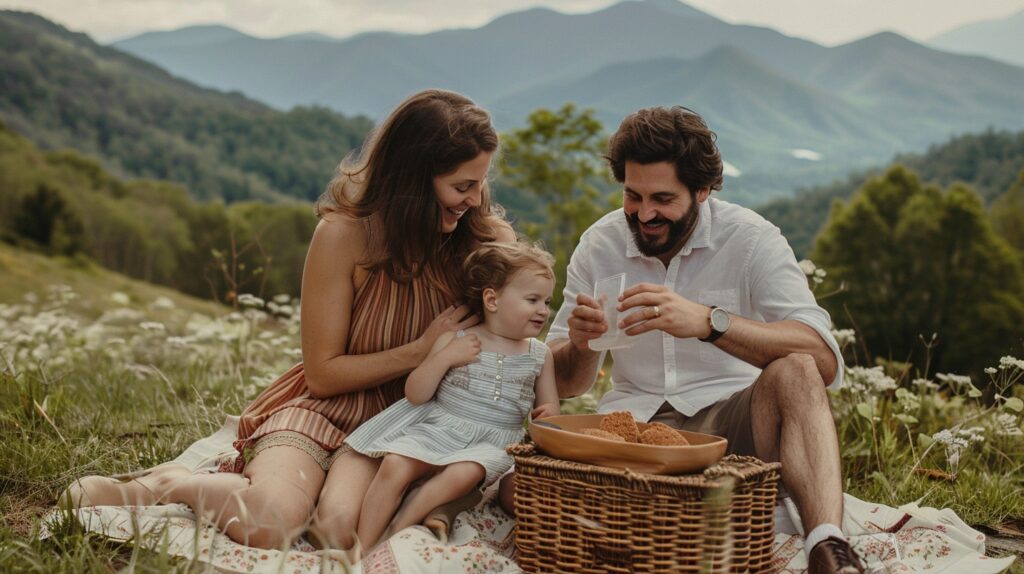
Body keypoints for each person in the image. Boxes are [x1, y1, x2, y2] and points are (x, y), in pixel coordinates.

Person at [62, 89, 516, 552]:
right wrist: (420, 352)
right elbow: (322, 374)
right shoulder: (343, 236)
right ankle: (165, 485)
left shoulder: (484, 241)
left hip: (409, 428)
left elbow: (521, 342)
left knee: (341, 534)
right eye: (461, 186)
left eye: (480, 184)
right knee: (271, 523)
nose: (474, 199)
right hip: (325, 412)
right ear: (414, 181)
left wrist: (579, 345)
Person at [502, 106, 865, 574]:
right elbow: (565, 383)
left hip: (730, 426)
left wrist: (711, 323)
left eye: (663, 198)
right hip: (630, 431)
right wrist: (579, 343)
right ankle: (669, 518)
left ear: (702, 190)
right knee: (516, 486)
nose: (645, 213)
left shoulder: (752, 240)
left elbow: (822, 357)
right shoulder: (600, 244)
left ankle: (827, 547)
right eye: (633, 196)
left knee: (795, 368)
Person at [343, 241, 559, 550]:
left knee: (464, 472)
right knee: (395, 464)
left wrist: (549, 413)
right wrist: (443, 357)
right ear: (492, 300)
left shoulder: (539, 354)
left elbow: (550, 406)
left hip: (493, 441)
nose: (543, 310)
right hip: (440, 428)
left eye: (547, 301)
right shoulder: (455, 340)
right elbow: (416, 394)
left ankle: (393, 533)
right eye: (533, 299)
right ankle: (361, 547)